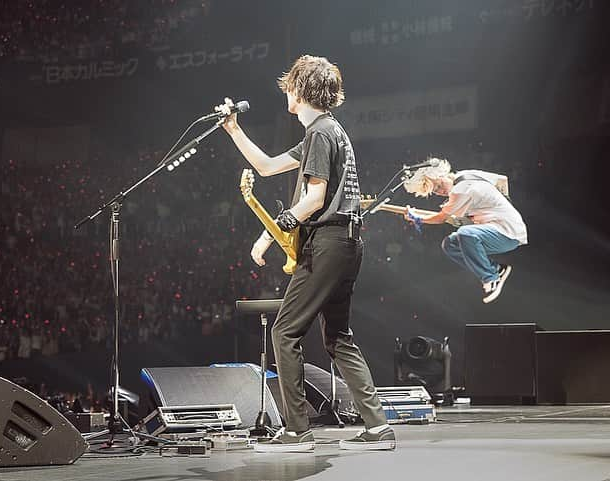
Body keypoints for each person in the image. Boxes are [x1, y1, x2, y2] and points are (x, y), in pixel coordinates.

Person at [217, 54, 395, 452]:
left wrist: (272, 232)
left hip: (328, 244)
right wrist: (233, 130)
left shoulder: (320, 133)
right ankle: (378, 427)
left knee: (285, 331)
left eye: (289, 87)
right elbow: (265, 167)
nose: (286, 93)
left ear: (299, 90)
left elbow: (314, 199)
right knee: (338, 338)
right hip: (348, 243)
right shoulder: (329, 131)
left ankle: (298, 431)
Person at [402, 158, 527, 303]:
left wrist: (418, 218)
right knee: (450, 245)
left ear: (441, 175)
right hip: (496, 230)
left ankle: (491, 277)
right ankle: (496, 270)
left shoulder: (459, 190)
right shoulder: (468, 174)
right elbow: (501, 180)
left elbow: (441, 218)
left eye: (439, 185)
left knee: (465, 233)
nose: (440, 191)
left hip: (507, 232)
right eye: (435, 192)